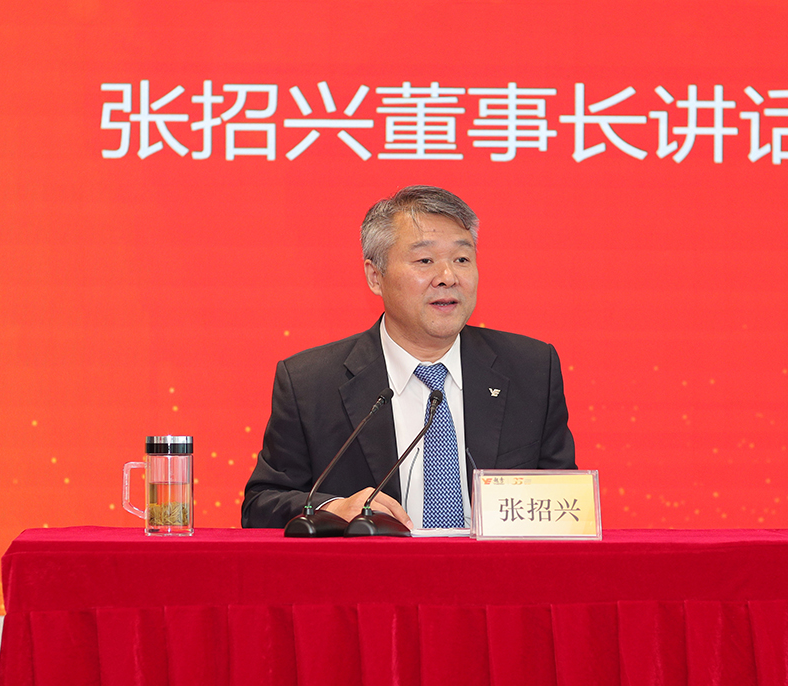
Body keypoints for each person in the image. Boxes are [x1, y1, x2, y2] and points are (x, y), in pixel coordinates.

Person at [241, 185, 576, 529]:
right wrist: (333, 508)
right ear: (375, 277)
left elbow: (568, 507)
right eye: (425, 261)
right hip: (374, 564)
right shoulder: (311, 383)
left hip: (496, 564)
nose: (448, 277)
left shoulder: (531, 370)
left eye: (462, 259)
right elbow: (260, 504)